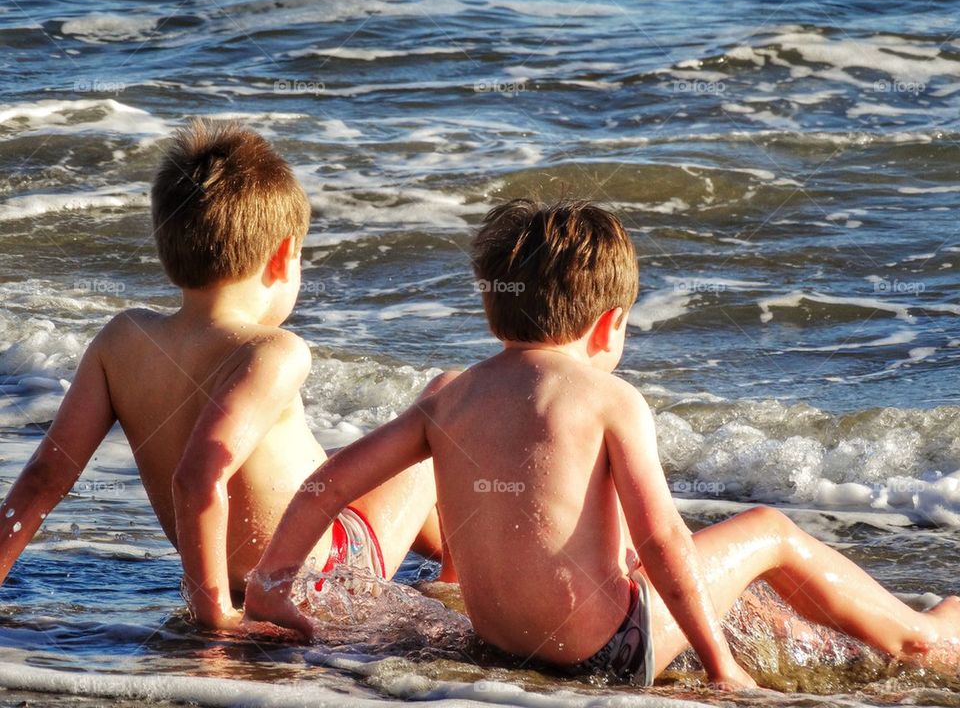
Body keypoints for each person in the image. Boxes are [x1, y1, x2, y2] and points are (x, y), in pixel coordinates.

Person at [244, 198, 960, 689]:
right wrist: (717, 664)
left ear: (495, 309)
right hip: (608, 656)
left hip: (502, 646)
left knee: (626, 558)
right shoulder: (610, 400)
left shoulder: (449, 396)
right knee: (769, 532)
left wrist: (273, 584)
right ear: (610, 325)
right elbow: (665, 543)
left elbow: (326, 485)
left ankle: (852, 638)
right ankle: (920, 639)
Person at [0, 121, 447, 629]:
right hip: (316, 578)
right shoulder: (273, 351)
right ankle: (457, 585)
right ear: (282, 257)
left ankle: (440, 573)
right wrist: (214, 618)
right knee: (430, 437)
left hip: (224, 570)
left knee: (347, 458)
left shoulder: (121, 340)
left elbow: (44, 479)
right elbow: (197, 477)